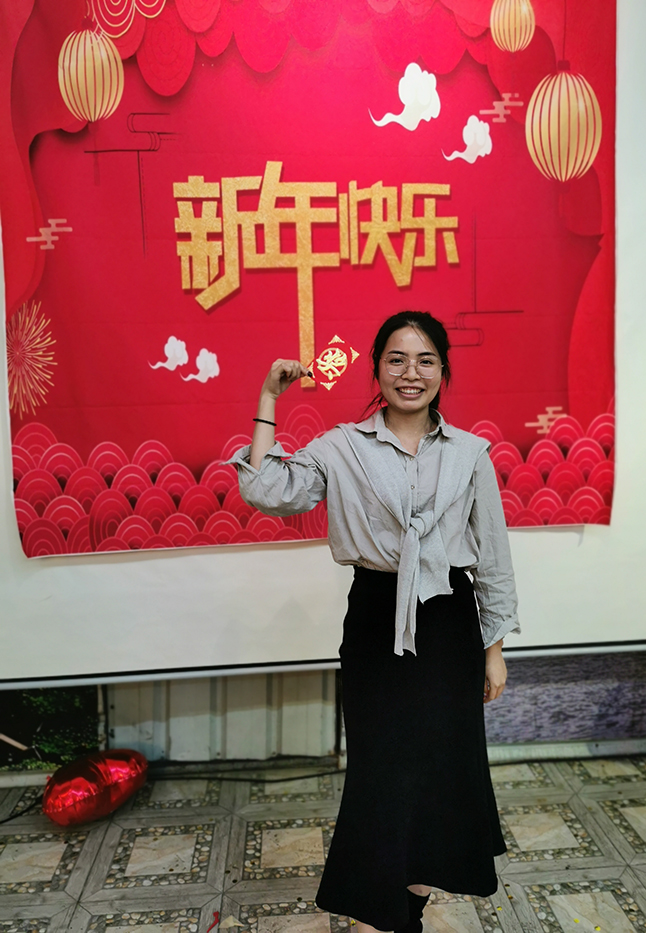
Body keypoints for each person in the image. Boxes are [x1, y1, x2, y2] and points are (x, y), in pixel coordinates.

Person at [230, 311, 519, 933]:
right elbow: (267, 491)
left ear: (443, 371)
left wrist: (493, 648)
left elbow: (492, 555)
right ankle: (380, 907)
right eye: (396, 359)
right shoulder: (342, 447)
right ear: (376, 369)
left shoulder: (470, 453)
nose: (410, 373)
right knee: (382, 770)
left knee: (440, 770)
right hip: (374, 621)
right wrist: (268, 400)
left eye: (425, 360)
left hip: (448, 625)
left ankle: (409, 903)